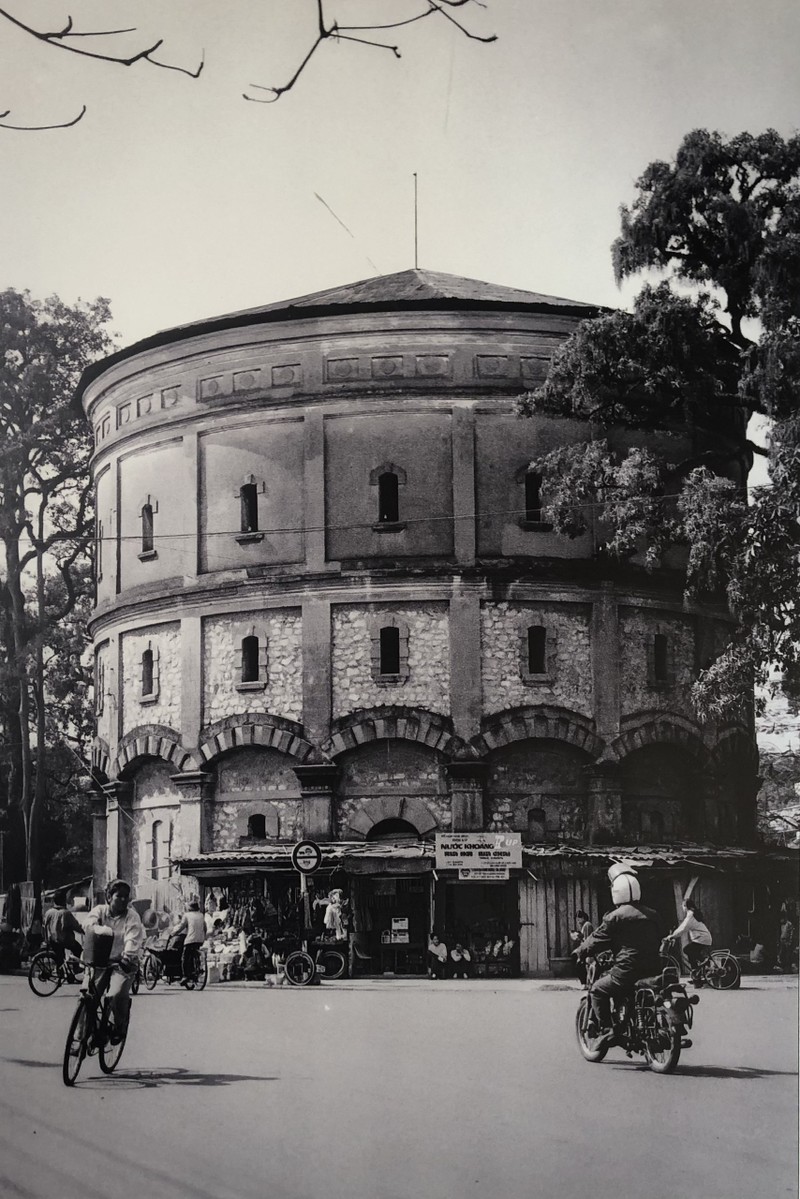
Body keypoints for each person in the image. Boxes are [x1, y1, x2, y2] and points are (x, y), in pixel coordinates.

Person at [574, 869, 661, 1049]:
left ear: (616, 893)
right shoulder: (653, 915)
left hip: (627, 970)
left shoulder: (615, 917)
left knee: (597, 990)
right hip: (653, 968)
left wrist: (580, 951)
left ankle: (607, 1030)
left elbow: (596, 939)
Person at [84, 879, 145, 1042]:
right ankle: (80, 1038)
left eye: (127, 896)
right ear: (109, 897)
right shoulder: (99, 911)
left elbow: (132, 938)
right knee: (87, 997)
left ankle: (120, 1026)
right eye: (119, 896)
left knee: (116, 994)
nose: (124, 900)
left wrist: (128, 955)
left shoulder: (132, 916)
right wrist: (100, 929)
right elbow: (88, 925)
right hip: (100, 961)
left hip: (122, 962)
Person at [669, 898, 712, 982]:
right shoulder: (692, 914)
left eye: (683, 906)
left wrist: (672, 936)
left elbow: (683, 928)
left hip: (701, 939)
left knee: (687, 949)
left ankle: (703, 964)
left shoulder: (691, 915)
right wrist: (673, 935)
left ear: (685, 906)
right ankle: (697, 976)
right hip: (702, 938)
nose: (682, 908)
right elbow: (682, 926)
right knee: (691, 954)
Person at [43, 890, 84, 977]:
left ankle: (60, 973)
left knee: (59, 957)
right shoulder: (66, 913)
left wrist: (46, 939)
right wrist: (83, 931)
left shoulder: (49, 912)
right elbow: (75, 926)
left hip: (53, 940)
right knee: (78, 949)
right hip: (65, 940)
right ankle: (75, 968)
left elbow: (44, 926)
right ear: (63, 901)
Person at [172, 899, 206, 987]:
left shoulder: (186, 915)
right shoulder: (201, 915)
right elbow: (205, 927)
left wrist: (174, 933)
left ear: (189, 908)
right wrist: (204, 937)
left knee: (185, 957)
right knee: (194, 953)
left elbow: (181, 926)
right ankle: (196, 968)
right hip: (200, 939)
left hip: (190, 939)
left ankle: (185, 976)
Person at [569, 910, 594, 984]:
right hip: (584, 947)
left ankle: (585, 982)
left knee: (577, 961)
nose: (578, 921)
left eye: (579, 919)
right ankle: (585, 981)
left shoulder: (587, 925)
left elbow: (587, 939)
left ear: (583, 918)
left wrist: (578, 936)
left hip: (587, 948)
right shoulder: (584, 926)